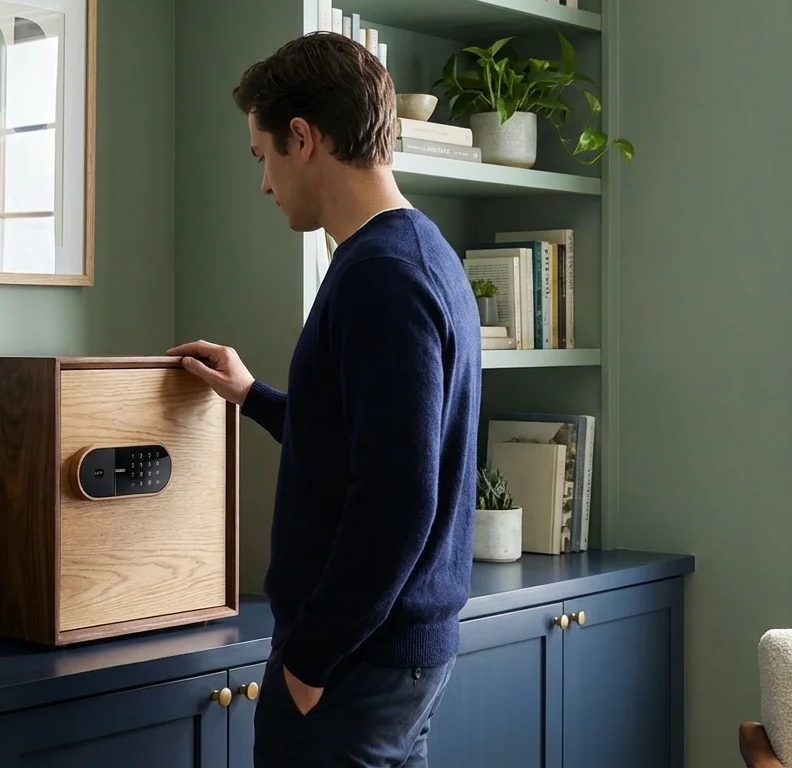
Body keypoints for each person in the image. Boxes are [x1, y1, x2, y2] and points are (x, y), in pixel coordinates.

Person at [167, 31, 483, 768]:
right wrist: (254, 397)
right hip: (391, 658)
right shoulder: (421, 252)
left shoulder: (381, 278)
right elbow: (370, 442)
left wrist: (309, 661)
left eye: (263, 156)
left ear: (303, 138)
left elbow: (397, 498)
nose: (264, 183)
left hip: (352, 664)